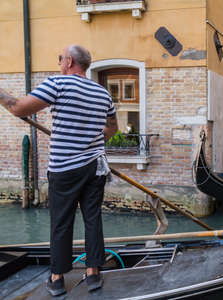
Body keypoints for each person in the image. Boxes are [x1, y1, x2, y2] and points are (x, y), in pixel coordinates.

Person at [0, 45, 118, 296]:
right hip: (95, 166)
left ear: (69, 61)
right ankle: (93, 274)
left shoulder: (58, 83)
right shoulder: (102, 93)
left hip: (65, 167)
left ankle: (56, 279)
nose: (59, 63)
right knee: (93, 220)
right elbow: (112, 128)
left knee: (61, 223)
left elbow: (20, 108)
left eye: (60, 59)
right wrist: (92, 140)